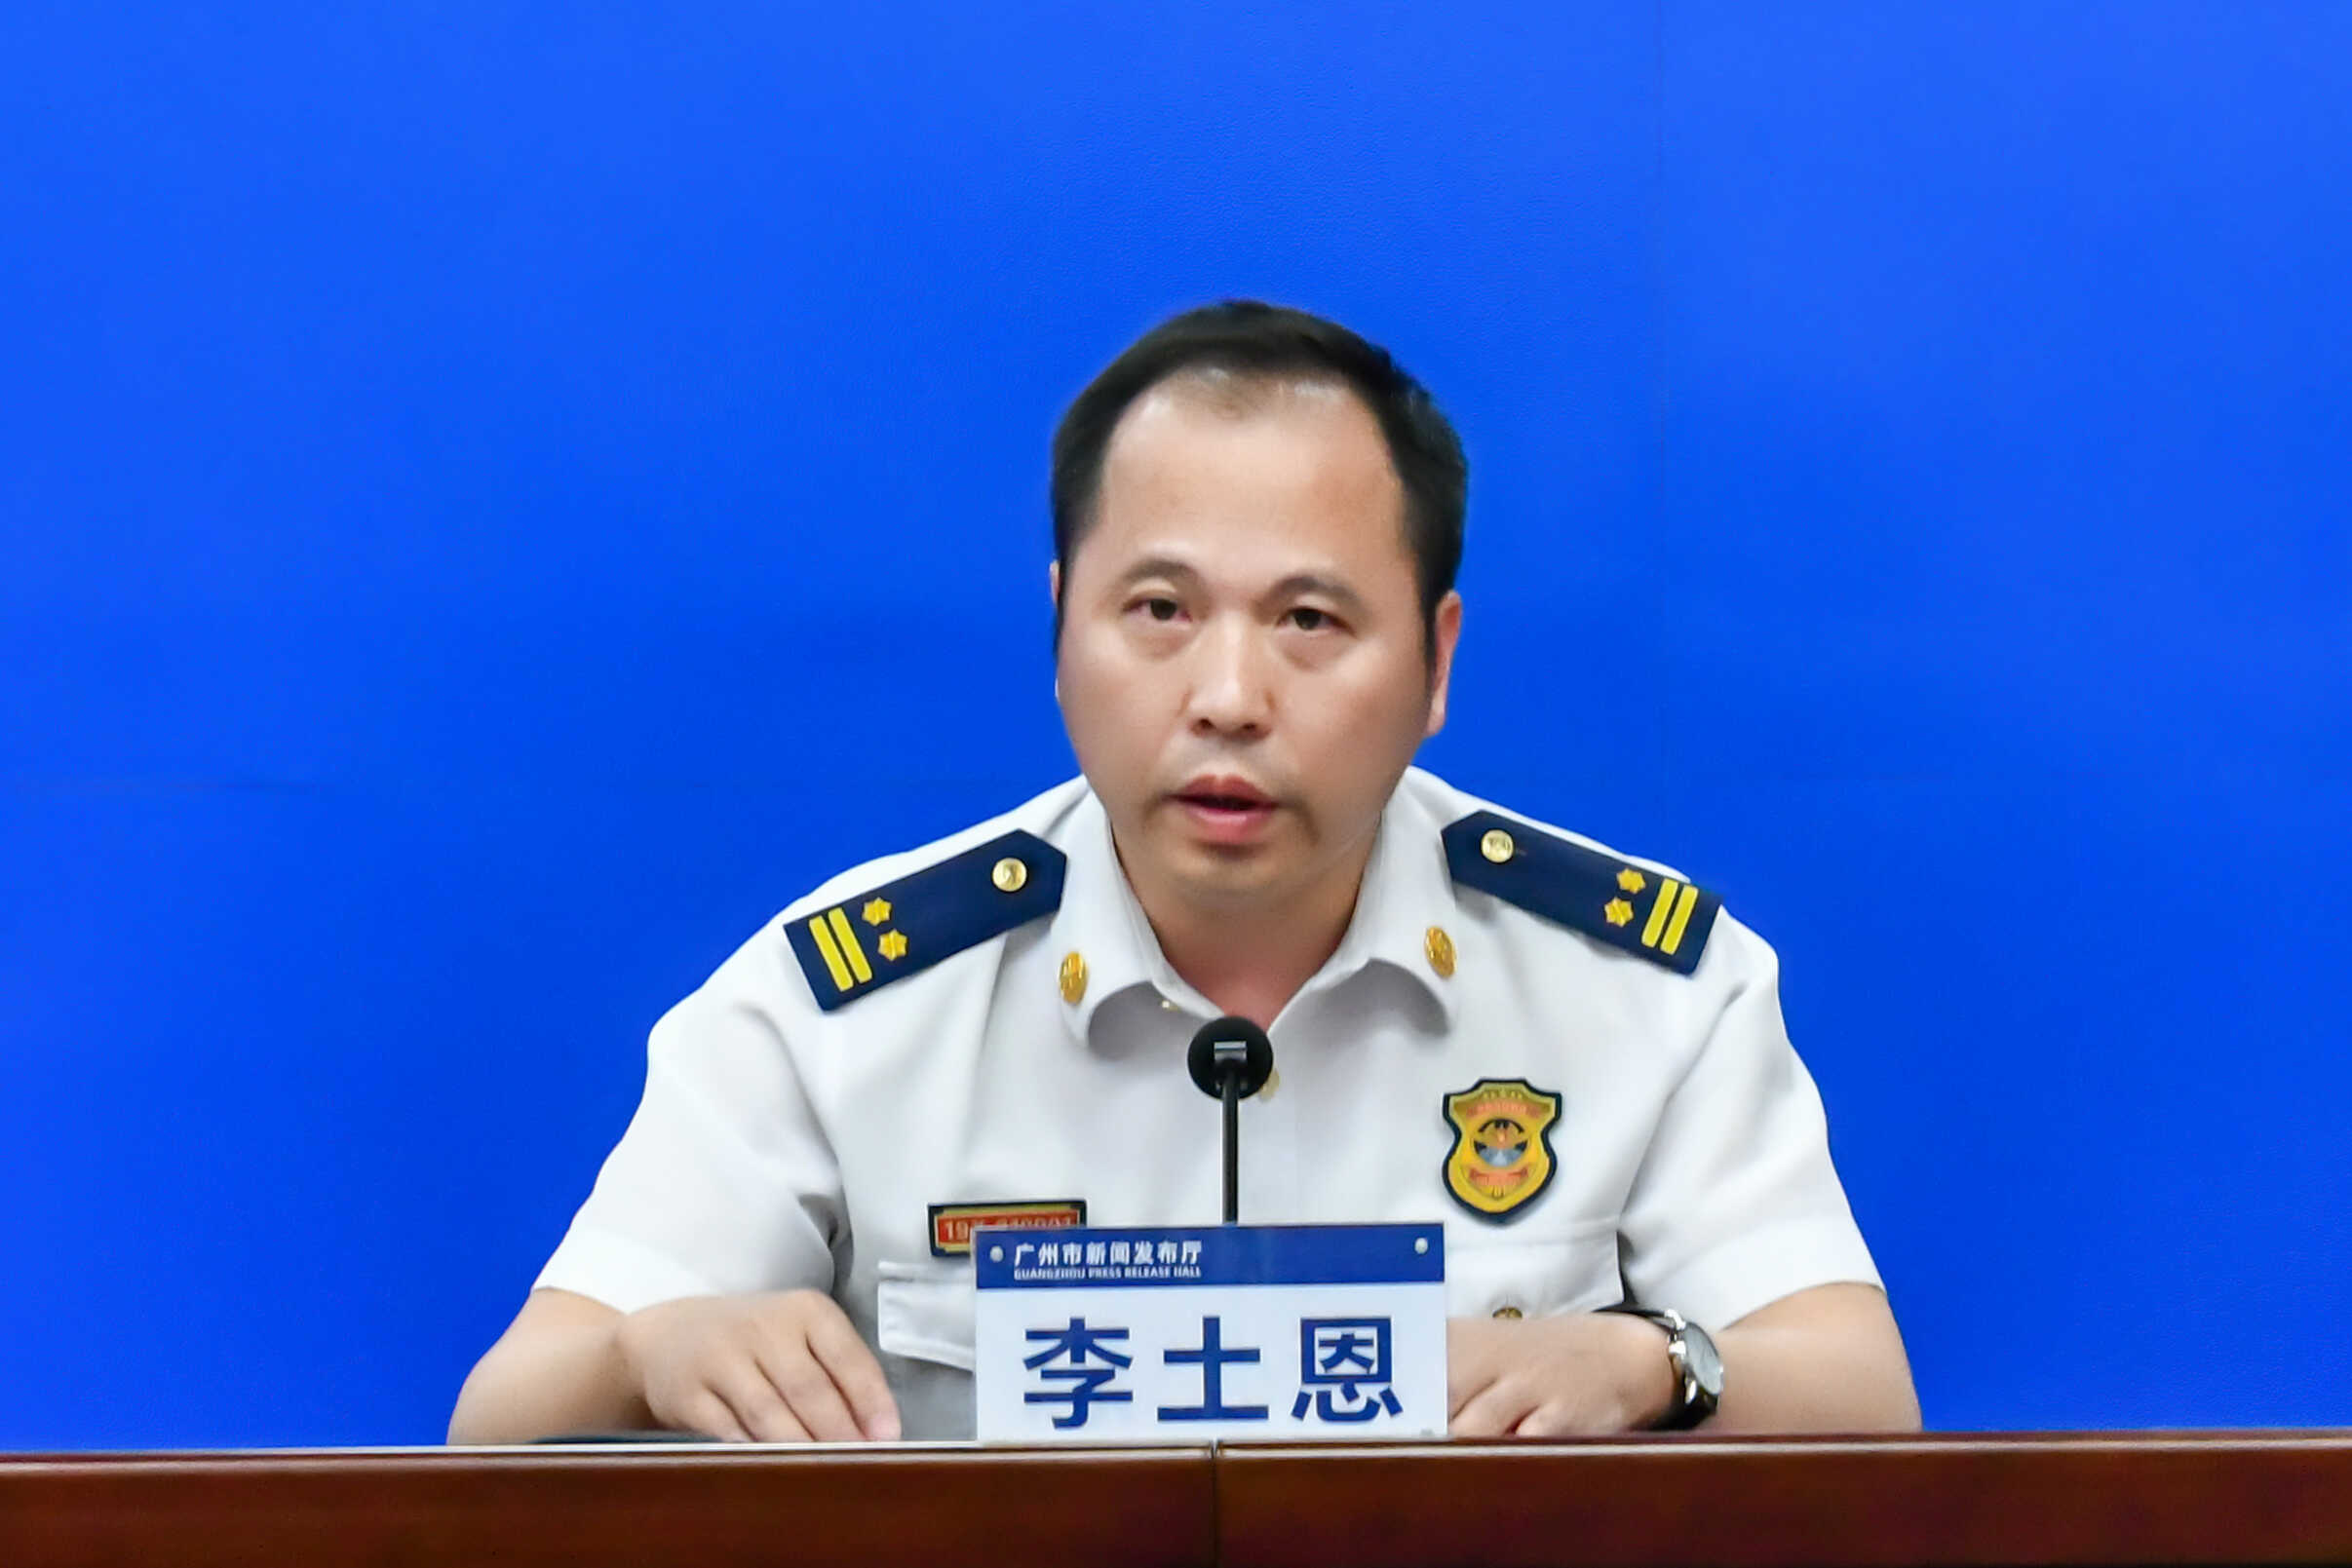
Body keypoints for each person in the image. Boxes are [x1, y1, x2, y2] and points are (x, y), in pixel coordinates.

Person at [448, 302, 1921, 1444]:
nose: (1226, 696)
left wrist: (1655, 1362)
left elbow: (1861, 1393)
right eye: (1158, 609)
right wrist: (646, 1355)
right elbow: (498, 1423)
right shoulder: (845, 1003)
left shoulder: (1645, 989)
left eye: (1308, 621)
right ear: (1060, 629)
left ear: (1435, 662)